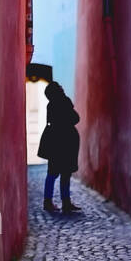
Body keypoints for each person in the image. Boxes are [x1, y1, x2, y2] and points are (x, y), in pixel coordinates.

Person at [37, 81, 80, 213]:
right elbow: (75, 118)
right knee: (65, 174)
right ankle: (65, 202)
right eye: (60, 87)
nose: (62, 87)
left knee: (52, 174)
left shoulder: (50, 105)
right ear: (58, 90)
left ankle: (48, 201)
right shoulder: (64, 102)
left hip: (55, 144)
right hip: (65, 143)